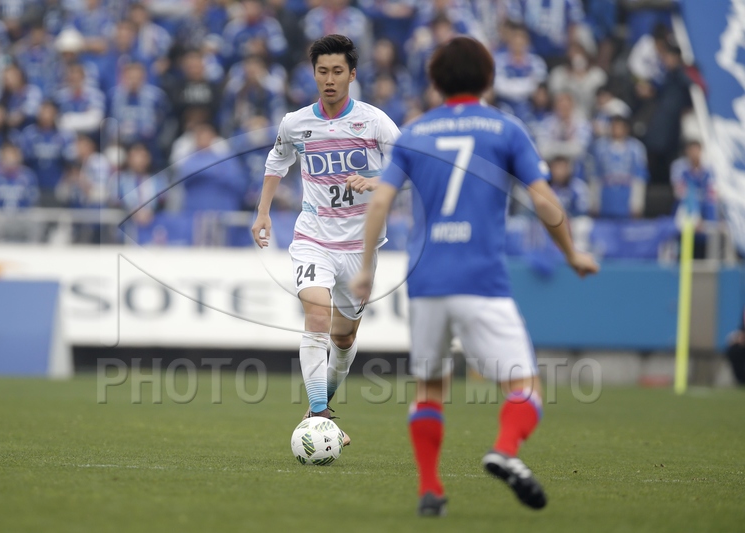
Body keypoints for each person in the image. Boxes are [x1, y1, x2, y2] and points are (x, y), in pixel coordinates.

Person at [350, 36, 599, 516]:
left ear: (435, 81)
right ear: (489, 78)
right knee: (524, 387)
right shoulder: (505, 128)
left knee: (430, 390)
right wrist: (571, 254)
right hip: (482, 279)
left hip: (425, 282)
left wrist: (364, 270)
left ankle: (430, 490)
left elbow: (379, 201)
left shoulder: (415, 133)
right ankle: (504, 450)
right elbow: (544, 201)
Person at [251, 34, 401, 445]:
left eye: (337, 71)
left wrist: (375, 181)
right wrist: (263, 212)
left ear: (352, 75)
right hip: (313, 236)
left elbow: (410, 168)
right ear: (313, 74)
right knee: (317, 317)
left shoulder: (375, 122)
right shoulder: (296, 123)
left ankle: (321, 403)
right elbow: (277, 161)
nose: (329, 79)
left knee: (344, 337)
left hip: (360, 246)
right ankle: (319, 415)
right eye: (322, 71)